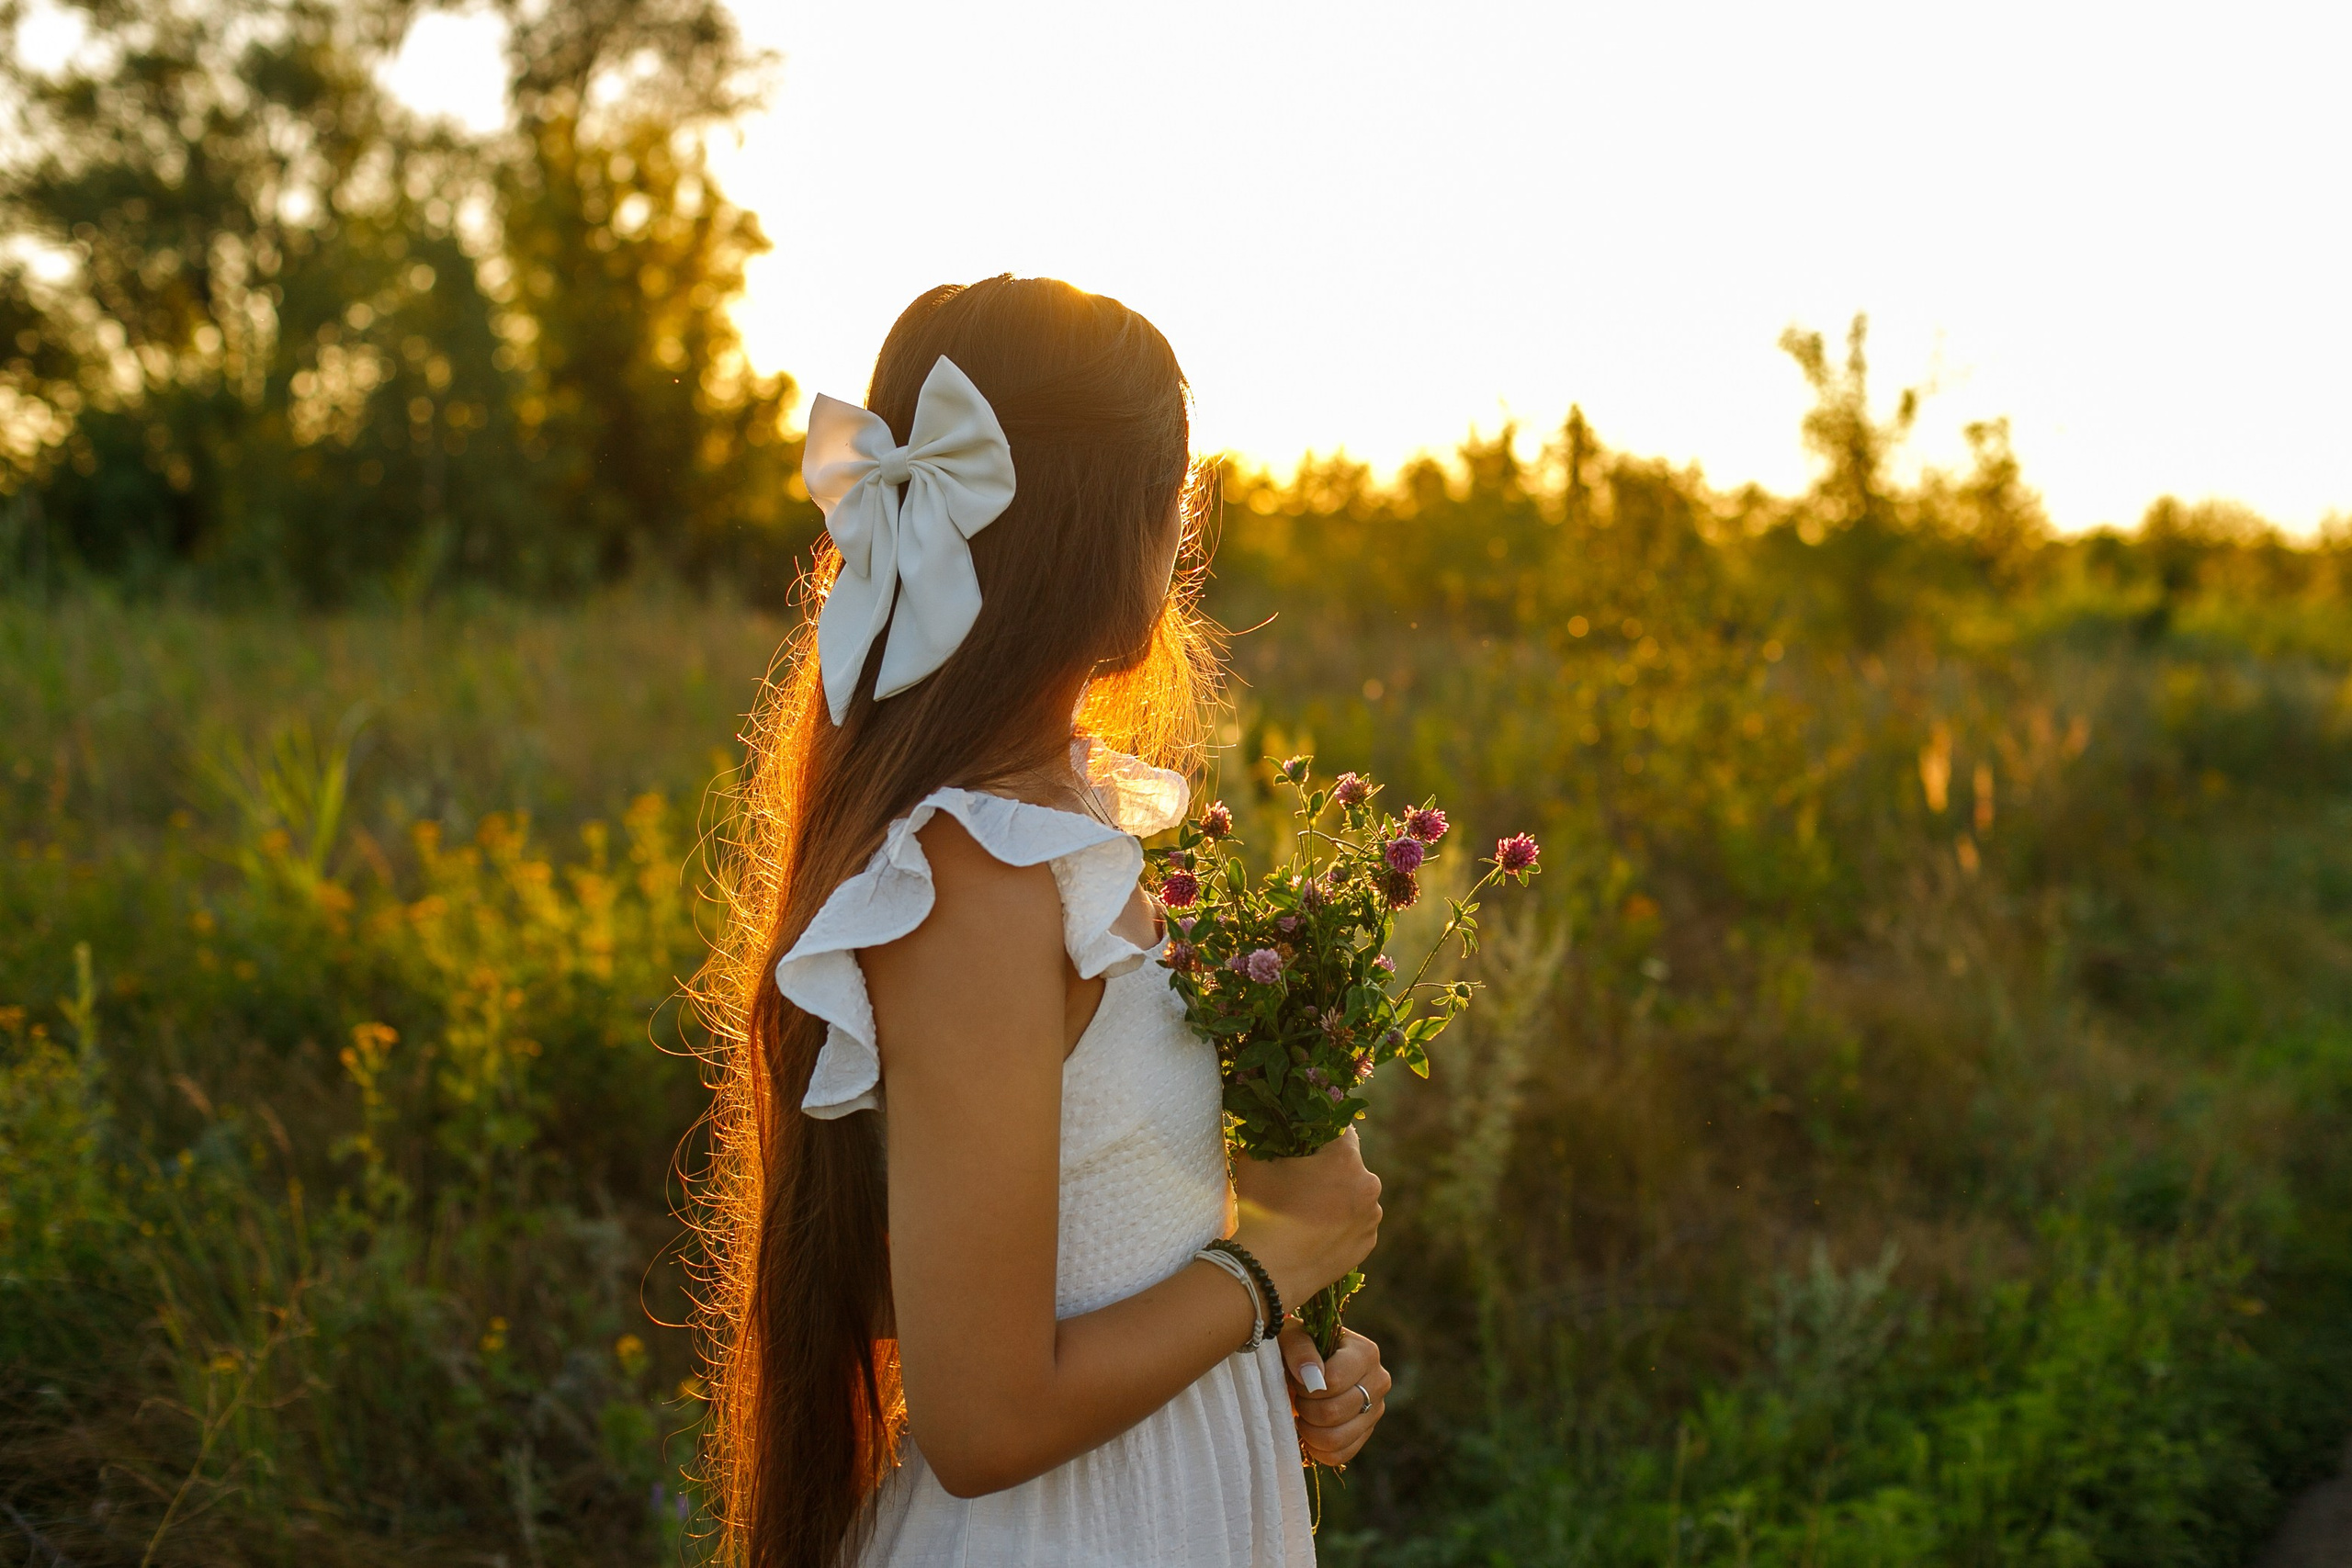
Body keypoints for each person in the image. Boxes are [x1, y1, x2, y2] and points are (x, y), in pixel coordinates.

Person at [696, 276, 1391, 1568]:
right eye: (1177, 500)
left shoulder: (1059, 821)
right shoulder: (975, 879)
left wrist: (1284, 1347)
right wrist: (1268, 1273)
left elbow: (1070, 1229)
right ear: (1110, 526)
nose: (1182, 542)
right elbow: (986, 1415)